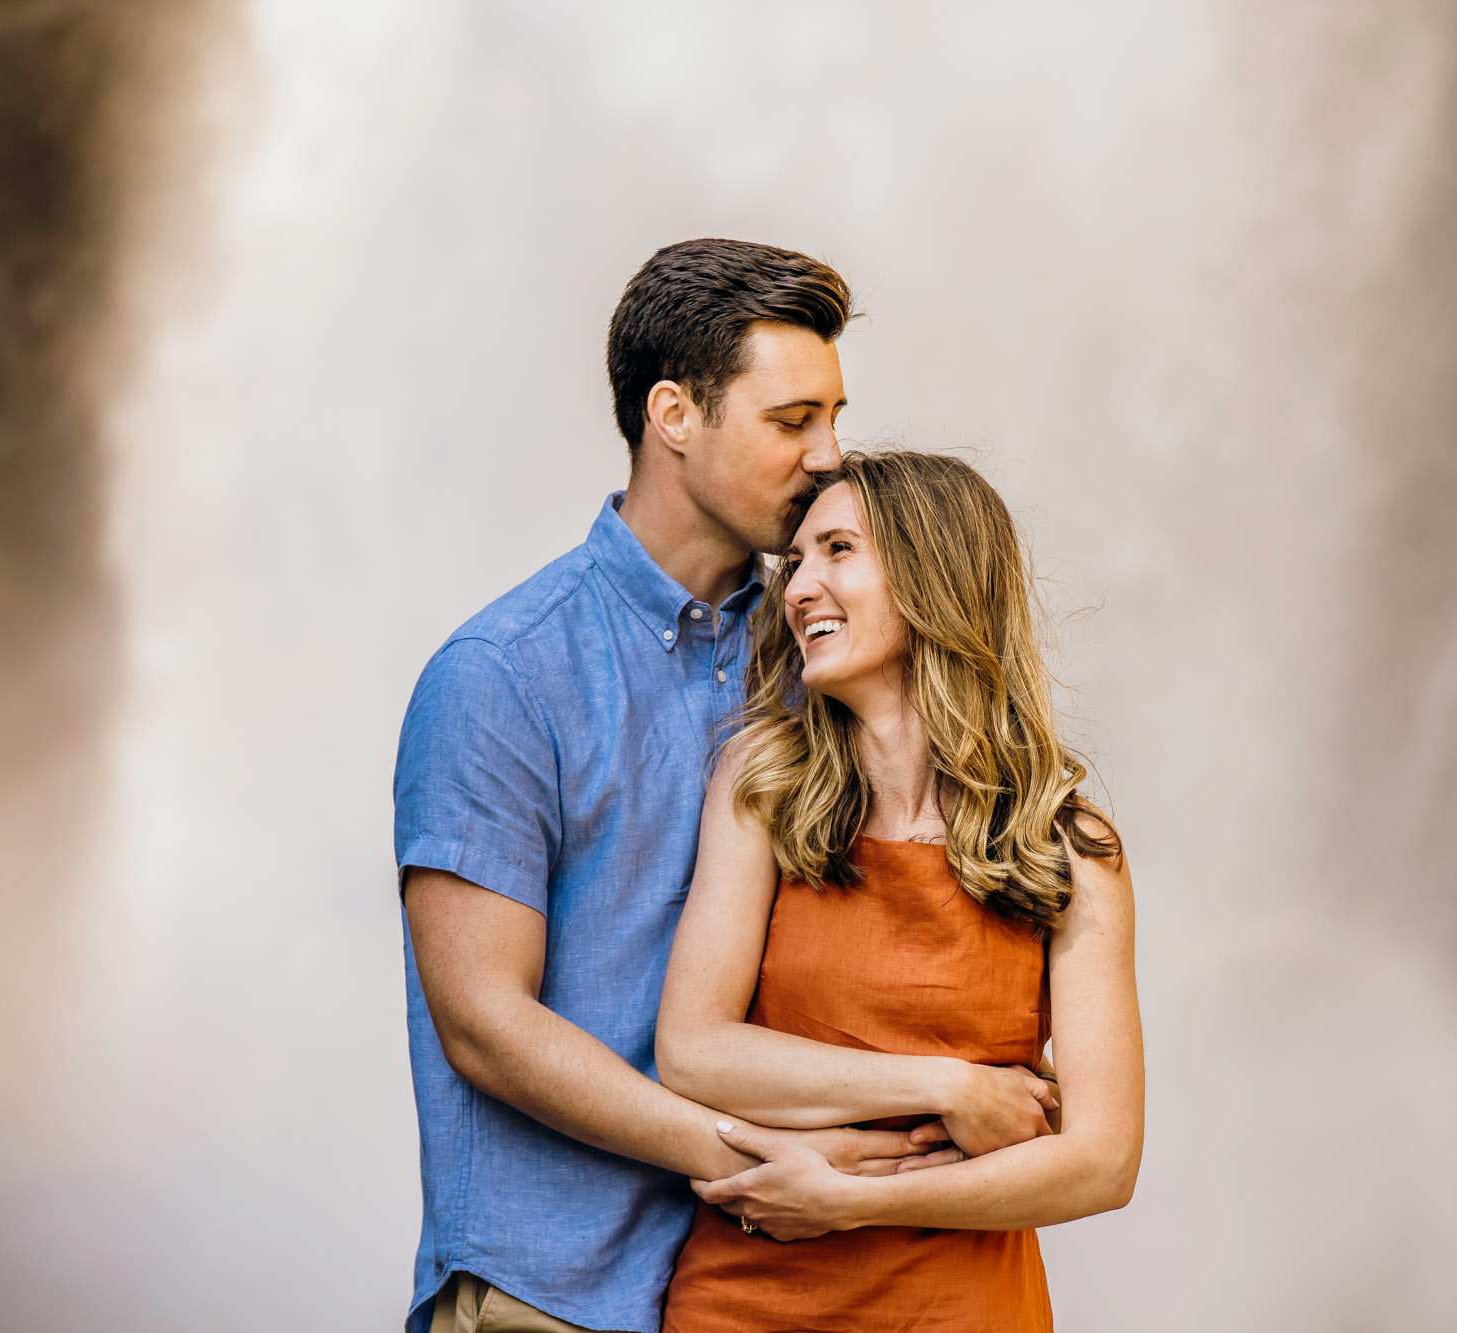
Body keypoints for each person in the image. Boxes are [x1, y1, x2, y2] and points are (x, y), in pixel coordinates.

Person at [392, 241, 1051, 1333]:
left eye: (833, 418)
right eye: (791, 422)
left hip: (770, 1290)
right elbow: (485, 1025)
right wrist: (760, 1160)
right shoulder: (503, 675)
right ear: (674, 416)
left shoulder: (820, 648)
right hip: (549, 1289)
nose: (827, 455)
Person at [655, 451, 1145, 1331]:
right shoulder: (762, 785)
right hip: (746, 1303)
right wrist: (949, 1086)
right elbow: (693, 1050)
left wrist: (849, 1200)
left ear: (933, 578)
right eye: (796, 560)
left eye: (838, 549)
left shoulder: (1068, 847)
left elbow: (1104, 1161)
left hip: (961, 1308)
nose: (800, 586)